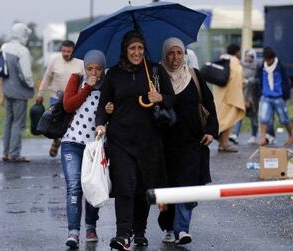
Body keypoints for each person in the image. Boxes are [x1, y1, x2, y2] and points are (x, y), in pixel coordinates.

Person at [95, 31, 174, 250]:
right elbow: (103, 104)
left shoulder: (155, 71)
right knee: (125, 186)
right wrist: (101, 122)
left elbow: (171, 98)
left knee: (142, 188)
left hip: (149, 141)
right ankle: (123, 234)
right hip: (120, 140)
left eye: (140, 48)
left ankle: (139, 232)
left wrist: (161, 98)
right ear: (125, 50)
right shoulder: (114, 74)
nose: (137, 53)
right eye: (132, 48)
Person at [157, 37, 219, 245]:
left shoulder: (194, 75)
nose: (175, 57)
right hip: (165, 143)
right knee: (168, 187)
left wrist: (211, 130)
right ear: (164, 55)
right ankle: (167, 225)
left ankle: (182, 229)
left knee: (187, 184)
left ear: (184, 55)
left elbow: (209, 103)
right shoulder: (157, 77)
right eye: (170, 53)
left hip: (192, 141)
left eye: (179, 53)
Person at [60, 49, 106, 248]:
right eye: (90, 68)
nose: (94, 72)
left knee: (92, 186)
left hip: (95, 146)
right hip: (72, 142)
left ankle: (90, 227)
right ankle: (73, 232)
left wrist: (110, 109)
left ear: (104, 69)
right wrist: (87, 87)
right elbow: (68, 106)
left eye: (98, 69)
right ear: (84, 68)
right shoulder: (77, 79)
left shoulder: (110, 84)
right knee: (74, 187)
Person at [36, 40, 84, 157]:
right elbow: (47, 77)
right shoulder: (55, 61)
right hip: (56, 98)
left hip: (72, 98)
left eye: (69, 51)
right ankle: (56, 139)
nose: (66, 54)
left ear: (74, 51)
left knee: (69, 124)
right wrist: (40, 94)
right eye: (64, 51)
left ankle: (65, 147)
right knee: (57, 123)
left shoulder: (80, 62)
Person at [0, 23, 35, 162]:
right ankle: (14, 153)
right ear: (23, 34)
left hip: (7, 88)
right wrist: (31, 86)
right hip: (19, 92)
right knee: (18, 123)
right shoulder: (23, 51)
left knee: (8, 121)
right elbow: (26, 75)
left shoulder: (4, 47)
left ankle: (5, 152)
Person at [257, 47, 293, 146]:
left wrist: (285, 96)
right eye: (266, 59)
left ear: (273, 58)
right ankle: (263, 138)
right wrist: (260, 92)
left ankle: (291, 136)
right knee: (263, 118)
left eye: (270, 59)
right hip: (266, 96)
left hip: (278, 97)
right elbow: (259, 79)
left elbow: (286, 81)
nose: (268, 62)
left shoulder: (280, 66)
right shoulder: (262, 66)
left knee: (284, 119)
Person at [213, 44, 245, 152]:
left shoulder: (221, 59)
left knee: (221, 120)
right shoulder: (235, 63)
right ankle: (225, 144)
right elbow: (237, 81)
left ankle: (221, 145)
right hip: (229, 97)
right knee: (227, 122)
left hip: (219, 96)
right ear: (236, 52)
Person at [229, 49, 260, 145]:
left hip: (252, 95)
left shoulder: (257, 67)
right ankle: (235, 135)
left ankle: (254, 136)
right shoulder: (240, 65)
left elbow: (258, 80)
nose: (247, 58)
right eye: (246, 55)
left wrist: (249, 81)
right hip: (241, 94)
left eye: (249, 56)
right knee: (239, 114)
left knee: (253, 116)